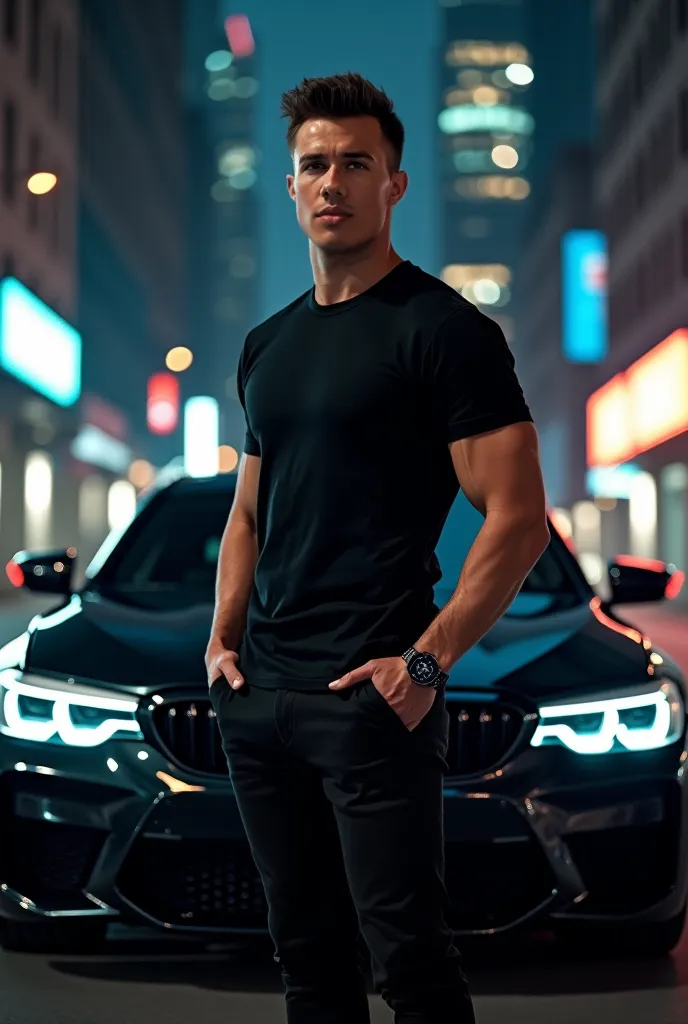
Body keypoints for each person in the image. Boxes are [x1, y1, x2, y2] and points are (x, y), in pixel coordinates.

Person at [205, 72, 550, 1024]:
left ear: (394, 184)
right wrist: (221, 640)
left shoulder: (446, 333)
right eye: (314, 163)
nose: (332, 181)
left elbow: (517, 517)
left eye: (356, 163)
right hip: (263, 699)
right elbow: (248, 512)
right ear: (289, 185)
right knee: (307, 964)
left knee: (413, 969)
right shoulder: (266, 344)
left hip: (371, 699)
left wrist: (424, 665)